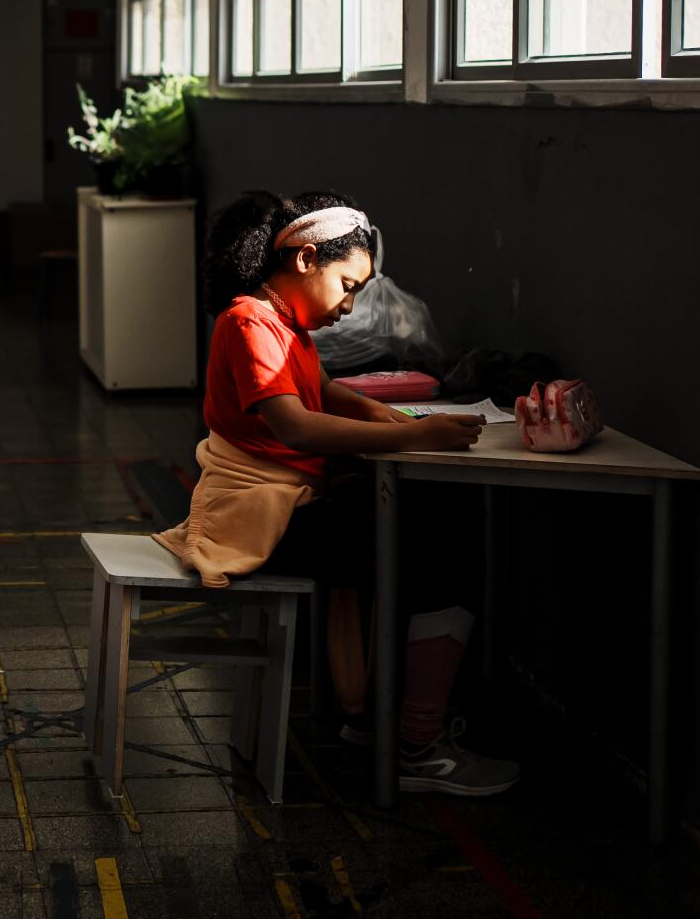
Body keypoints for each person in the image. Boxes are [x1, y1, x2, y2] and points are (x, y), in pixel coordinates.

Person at [160, 189, 519, 797]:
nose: (351, 306)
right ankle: (418, 744)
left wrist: (396, 424)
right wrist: (417, 438)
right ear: (304, 261)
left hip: (285, 506)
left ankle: (383, 721)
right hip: (262, 521)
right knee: (443, 536)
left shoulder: (285, 325)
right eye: (348, 285)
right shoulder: (248, 322)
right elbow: (296, 425)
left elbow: (325, 392)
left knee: (428, 519)